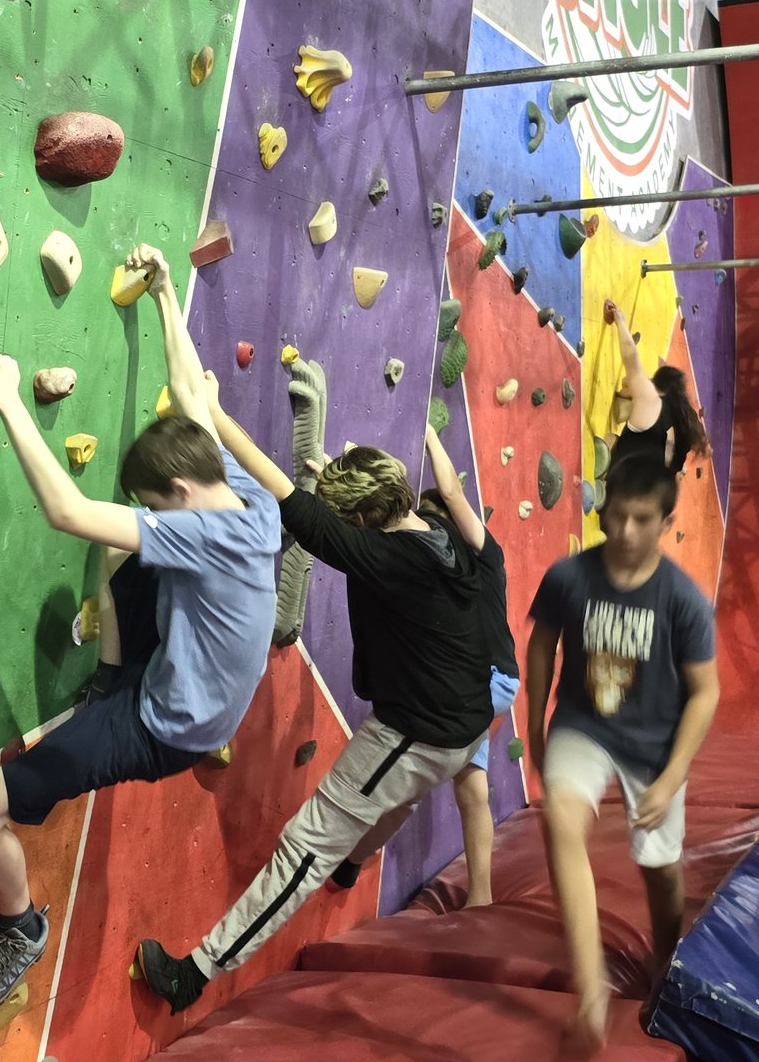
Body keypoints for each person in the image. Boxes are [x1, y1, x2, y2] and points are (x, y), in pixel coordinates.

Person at [0, 246, 279, 1013]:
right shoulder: (246, 501)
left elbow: (67, 509)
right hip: (199, 680)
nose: (157, 514)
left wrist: (7, 398)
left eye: (157, 504)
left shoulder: (201, 531)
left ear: (182, 491)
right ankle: (111, 677)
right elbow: (193, 395)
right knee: (124, 557)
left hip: (167, 727)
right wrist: (165, 294)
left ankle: (19, 928)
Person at [131, 376, 494, 1012]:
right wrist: (338, 483)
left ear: (362, 520)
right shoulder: (436, 530)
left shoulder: (385, 560)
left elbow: (291, 505)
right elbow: (355, 520)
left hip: (415, 733)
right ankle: (356, 859)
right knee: (396, 804)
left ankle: (197, 973)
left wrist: (215, 412)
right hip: (467, 722)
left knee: (307, 844)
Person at [523, 445, 719, 1052]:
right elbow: (540, 650)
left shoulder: (681, 600)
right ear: (604, 513)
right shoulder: (569, 578)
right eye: (617, 516)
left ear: (665, 524)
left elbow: (705, 693)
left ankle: (666, 953)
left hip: (654, 743)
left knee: (659, 870)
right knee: (563, 821)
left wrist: (670, 778)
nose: (626, 531)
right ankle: (591, 988)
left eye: (642, 520)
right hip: (584, 725)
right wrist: (534, 727)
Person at [417, 420, 519, 908]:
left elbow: (452, 492)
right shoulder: (462, 566)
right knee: (470, 788)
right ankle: (481, 896)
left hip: (486, 680)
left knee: (416, 747)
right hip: (494, 681)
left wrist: (429, 433)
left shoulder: (483, 554)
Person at [602, 298, 709, 480]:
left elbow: (631, 359)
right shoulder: (678, 455)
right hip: (630, 487)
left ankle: (606, 472)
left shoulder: (656, 406)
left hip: (619, 466)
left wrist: (620, 321)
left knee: (610, 438)